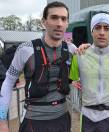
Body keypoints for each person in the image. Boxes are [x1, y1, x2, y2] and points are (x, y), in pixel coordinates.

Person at [0, 2, 76, 132]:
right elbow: (8, 82)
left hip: (62, 118)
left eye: (63, 19)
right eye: (54, 17)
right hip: (34, 121)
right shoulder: (25, 49)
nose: (59, 23)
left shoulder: (71, 49)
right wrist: (2, 122)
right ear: (44, 22)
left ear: (67, 23)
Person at [69, 13, 109, 132]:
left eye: (106, 28)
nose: (102, 32)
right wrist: (73, 83)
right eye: (97, 28)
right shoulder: (80, 55)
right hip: (88, 116)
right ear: (91, 31)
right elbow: (71, 80)